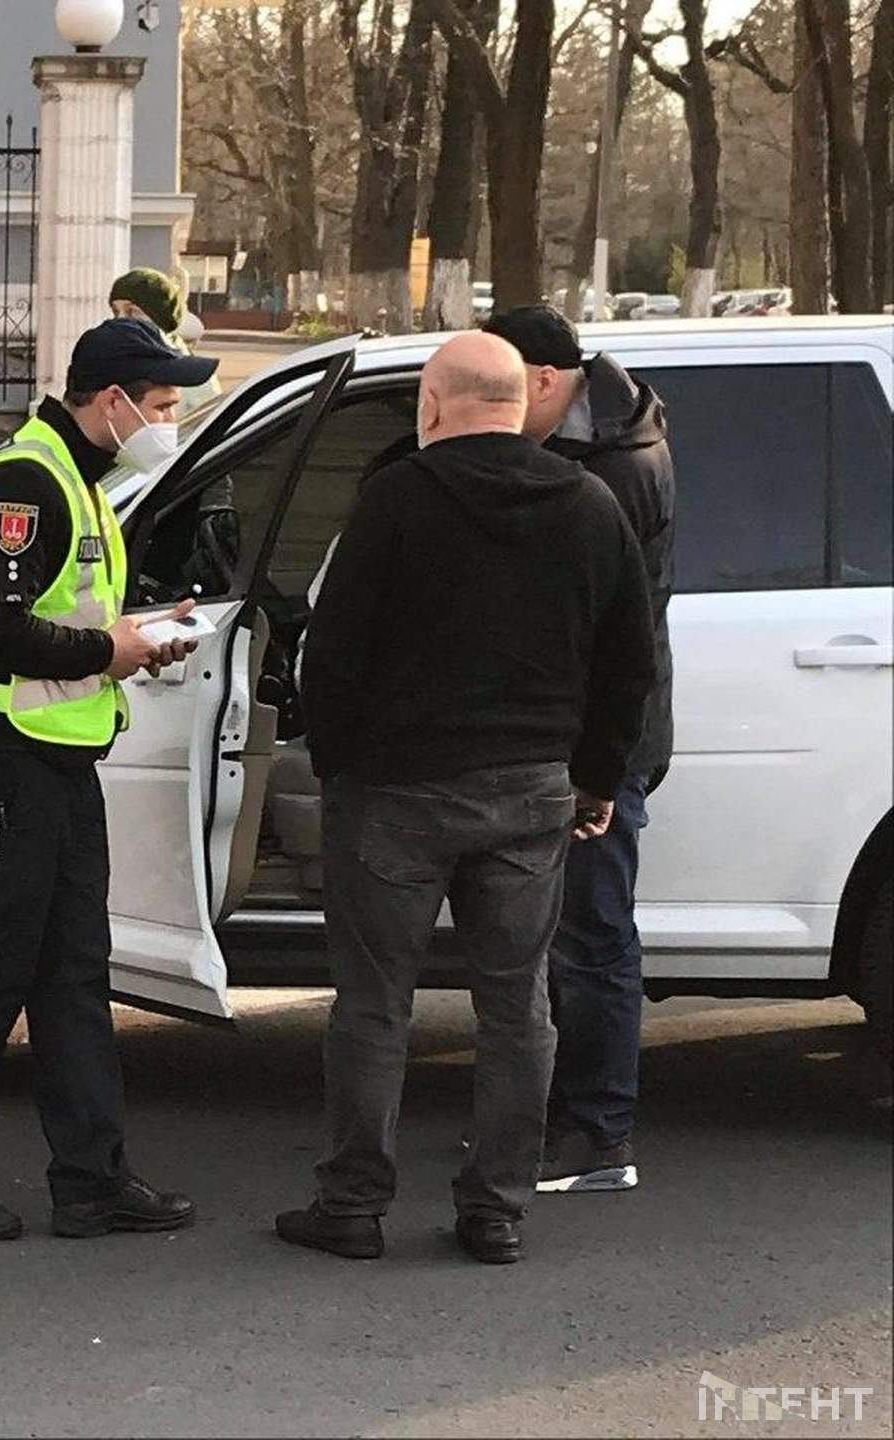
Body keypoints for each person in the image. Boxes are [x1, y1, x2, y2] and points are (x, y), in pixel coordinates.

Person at [276, 332, 656, 1265]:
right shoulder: (590, 503)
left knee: (373, 1006)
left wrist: (338, 761)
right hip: (531, 794)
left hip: (396, 795)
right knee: (517, 1007)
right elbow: (629, 663)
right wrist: (596, 779)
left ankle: (354, 1205)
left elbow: (333, 650)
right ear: (520, 401)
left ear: (435, 406)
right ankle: (496, 1211)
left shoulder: (395, 500)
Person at [0, 317, 216, 1241]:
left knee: (74, 974)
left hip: (58, 765)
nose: (168, 420)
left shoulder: (78, 480)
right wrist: (107, 650)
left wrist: (135, 637)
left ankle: (92, 1179)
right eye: (159, 406)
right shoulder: (26, 481)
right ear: (110, 401)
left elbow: (58, 621)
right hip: (4, 764)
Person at [482, 305, 675, 1195]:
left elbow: (599, 635)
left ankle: (597, 1135)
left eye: (505, 389)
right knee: (563, 933)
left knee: (591, 937)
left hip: (594, 742)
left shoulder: (610, 468)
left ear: (547, 384)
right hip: (585, 735)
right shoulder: (606, 434)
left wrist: (592, 765)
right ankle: (559, 1116)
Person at [109, 266, 220, 418]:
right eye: (116, 311)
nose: (120, 319)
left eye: (132, 311)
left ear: (160, 317)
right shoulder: (111, 359)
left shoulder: (192, 375)